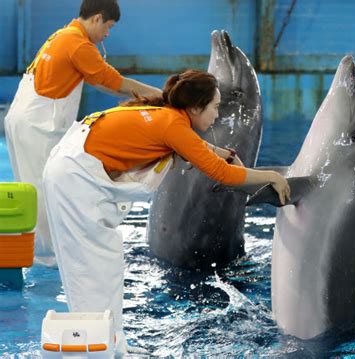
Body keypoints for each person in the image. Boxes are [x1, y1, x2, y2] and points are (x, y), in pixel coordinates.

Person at [42, 69, 290, 354]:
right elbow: (222, 174)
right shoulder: (171, 125)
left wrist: (216, 151)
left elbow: (193, 146)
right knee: (90, 270)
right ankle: (97, 350)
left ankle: (112, 346)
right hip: (73, 179)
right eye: (215, 106)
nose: (217, 114)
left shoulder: (166, 114)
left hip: (71, 169)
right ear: (196, 107)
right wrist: (272, 176)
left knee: (104, 266)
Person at [4, 0, 162, 267]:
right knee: (45, 188)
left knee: (38, 185)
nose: (108, 34)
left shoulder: (64, 34)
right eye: (108, 27)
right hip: (38, 126)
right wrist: (160, 95)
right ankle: (50, 255)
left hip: (27, 119)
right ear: (97, 18)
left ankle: (45, 248)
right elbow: (115, 84)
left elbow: (101, 81)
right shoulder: (78, 44)